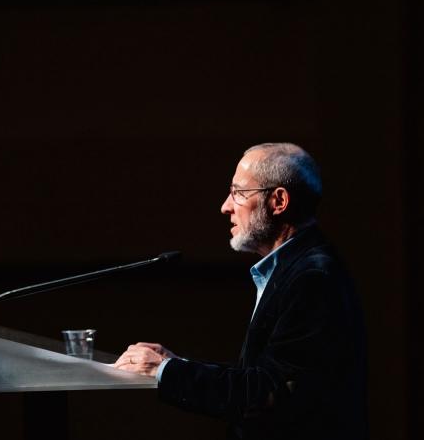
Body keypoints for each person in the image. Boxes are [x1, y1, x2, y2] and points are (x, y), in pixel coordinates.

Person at [114, 143, 367, 440]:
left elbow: (269, 394)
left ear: (279, 201)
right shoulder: (292, 268)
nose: (226, 206)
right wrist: (177, 364)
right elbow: (262, 377)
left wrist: (165, 371)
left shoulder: (313, 278)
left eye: (238, 193)